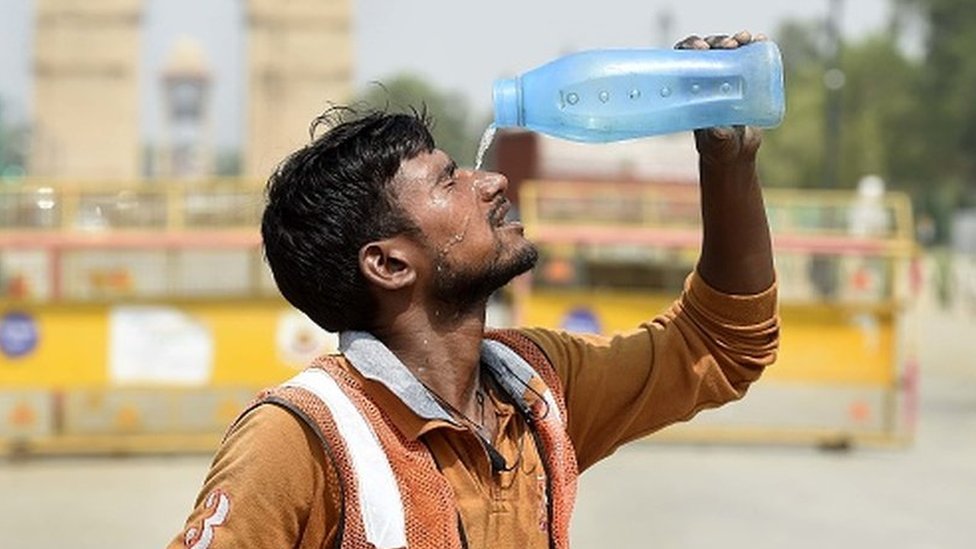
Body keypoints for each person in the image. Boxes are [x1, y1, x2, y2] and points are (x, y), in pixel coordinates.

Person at [171, 31, 780, 549]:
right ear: (388, 264)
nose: (490, 182)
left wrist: (728, 167)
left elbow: (720, 344)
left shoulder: (538, 390)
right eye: (447, 181)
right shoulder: (301, 439)